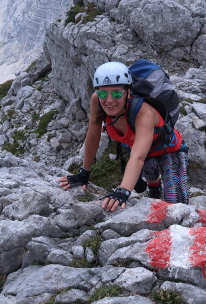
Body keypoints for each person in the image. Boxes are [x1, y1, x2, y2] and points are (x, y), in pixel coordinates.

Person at [59, 61, 189, 211]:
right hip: (142, 149)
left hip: (169, 149)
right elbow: (93, 135)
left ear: (128, 92)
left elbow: (137, 157)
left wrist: (123, 191)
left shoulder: (143, 112)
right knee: (150, 175)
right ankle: (155, 188)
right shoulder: (97, 101)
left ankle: (160, 189)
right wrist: (84, 173)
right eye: (102, 93)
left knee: (176, 206)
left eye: (116, 93)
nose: (109, 100)